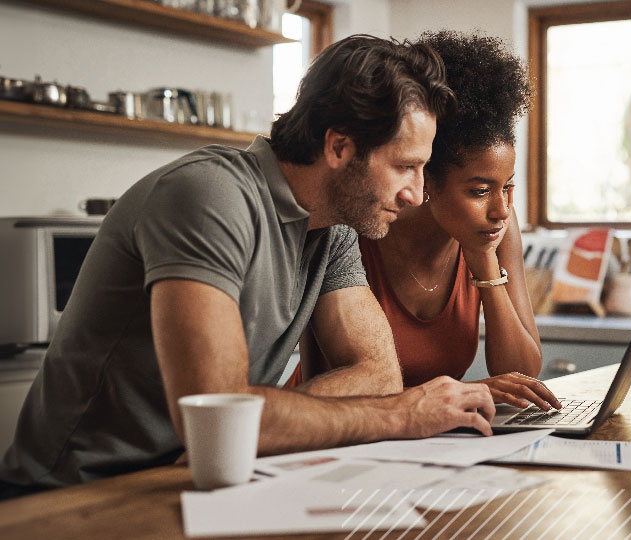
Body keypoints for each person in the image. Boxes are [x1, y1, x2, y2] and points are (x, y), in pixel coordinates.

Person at [0, 34, 498, 498]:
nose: (414, 195)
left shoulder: (334, 228)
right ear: (339, 147)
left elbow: (377, 373)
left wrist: (255, 422)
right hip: (74, 494)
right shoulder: (209, 196)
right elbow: (220, 418)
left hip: (198, 481)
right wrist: (398, 416)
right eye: (404, 166)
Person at [289, 30, 561, 412]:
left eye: (508, 187)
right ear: (426, 178)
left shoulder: (494, 230)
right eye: (480, 191)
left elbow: (523, 374)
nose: (501, 210)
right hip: (333, 426)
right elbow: (337, 381)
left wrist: (483, 261)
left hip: (427, 434)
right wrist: (469, 391)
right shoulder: (361, 224)